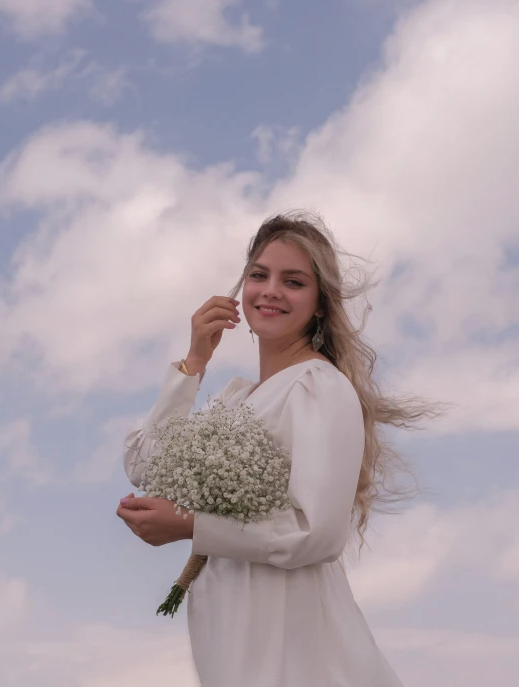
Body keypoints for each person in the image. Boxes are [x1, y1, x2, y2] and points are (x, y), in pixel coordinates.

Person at [118, 209, 450, 687]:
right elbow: (146, 467)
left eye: (293, 281)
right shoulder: (237, 399)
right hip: (229, 626)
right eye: (258, 275)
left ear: (319, 304)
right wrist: (194, 361)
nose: (270, 289)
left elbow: (318, 533)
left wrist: (190, 524)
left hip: (289, 634)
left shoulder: (319, 387)